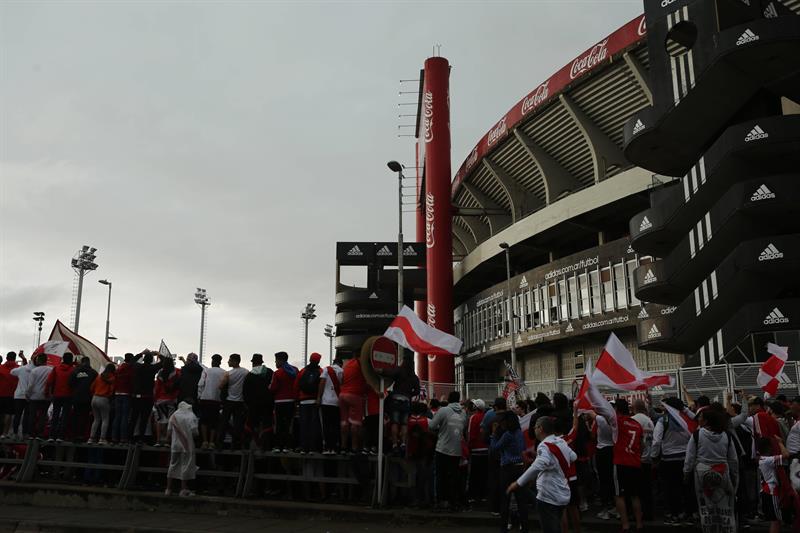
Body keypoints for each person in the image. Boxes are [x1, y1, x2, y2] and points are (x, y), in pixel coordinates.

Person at [507, 415, 576, 533]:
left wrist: (518, 483)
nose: (534, 430)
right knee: (557, 525)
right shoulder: (561, 441)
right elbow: (573, 457)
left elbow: (539, 465)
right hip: (562, 492)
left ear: (540, 428)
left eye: (535, 427)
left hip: (548, 495)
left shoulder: (544, 446)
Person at [683, 404, 739, 533]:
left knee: (706, 508)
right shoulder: (727, 435)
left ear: (706, 421)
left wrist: (686, 474)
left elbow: (689, 458)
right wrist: (735, 478)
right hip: (723, 472)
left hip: (701, 473)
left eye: (701, 417)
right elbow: (733, 460)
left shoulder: (697, 435)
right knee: (726, 507)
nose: (698, 419)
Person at [652, 397, 694, 525]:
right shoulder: (687, 420)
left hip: (668, 460)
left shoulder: (662, 420)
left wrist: (654, 457)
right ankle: (688, 514)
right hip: (686, 458)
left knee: (670, 489)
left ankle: (673, 515)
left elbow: (657, 441)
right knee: (686, 488)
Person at [429, 390, 467, 511]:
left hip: (442, 448)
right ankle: (453, 502)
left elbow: (431, 426)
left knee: (440, 476)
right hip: (456, 450)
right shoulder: (463, 413)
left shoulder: (443, 410)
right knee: (454, 477)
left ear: (449, 399)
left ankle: (441, 501)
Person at [491, 410, 528, 533]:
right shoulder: (519, 433)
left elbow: (495, 448)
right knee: (521, 500)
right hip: (519, 467)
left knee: (505, 499)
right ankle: (524, 527)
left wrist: (494, 434)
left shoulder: (507, 435)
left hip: (507, 468)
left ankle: (503, 527)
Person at [378, 353, 420, 454]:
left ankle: (394, 444)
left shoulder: (399, 370)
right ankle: (403, 444)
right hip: (406, 400)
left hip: (396, 399)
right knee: (404, 423)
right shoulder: (414, 377)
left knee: (395, 422)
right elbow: (417, 391)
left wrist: (380, 370)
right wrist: (409, 394)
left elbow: (389, 373)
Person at [165, 400, 199, 497]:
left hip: (175, 445)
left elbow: (168, 433)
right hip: (187, 445)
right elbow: (195, 432)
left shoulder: (173, 416)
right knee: (185, 465)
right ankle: (183, 489)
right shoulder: (191, 416)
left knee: (172, 465)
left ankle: (168, 489)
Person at [481, 397, 508, 516]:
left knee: (494, 480)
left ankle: (495, 507)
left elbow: (484, 437)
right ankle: (506, 507)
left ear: (496, 407)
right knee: (506, 481)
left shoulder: (491, 418)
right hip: (508, 454)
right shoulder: (511, 418)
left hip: (494, 453)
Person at [757, 436, 789, 533]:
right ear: (769, 448)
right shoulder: (767, 460)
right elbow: (786, 455)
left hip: (766, 491)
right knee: (776, 521)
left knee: (775, 520)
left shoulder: (761, 459)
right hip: (771, 491)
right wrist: (780, 443)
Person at [293, 352, 323, 454]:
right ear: (318, 360)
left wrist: (296, 399)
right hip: (315, 401)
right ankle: (313, 448)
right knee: (314, 425)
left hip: (303, 402)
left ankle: (303, 447)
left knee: (304, 425)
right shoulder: (321, 371)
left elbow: (296, 386)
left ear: (310, 359)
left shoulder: (302, 371)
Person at [129, 351, 162, 443]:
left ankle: (130, 438)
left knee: (134, 418)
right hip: (147, 397)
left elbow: (131, 361)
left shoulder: (137, 367)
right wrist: (158, 354)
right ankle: (141, 438)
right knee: (144, 419)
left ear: (143, 359)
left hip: (136, 396)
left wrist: (141, 353)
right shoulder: (152, 368)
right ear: (151, 360)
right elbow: (164, 362)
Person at [243, 353, 273, 450]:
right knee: (267, 425)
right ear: (261, 362)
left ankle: (249, 445)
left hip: (253, 405)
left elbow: (245, 392)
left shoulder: (249, 375)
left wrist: (247, 404)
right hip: (267, 404)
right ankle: (266, 446)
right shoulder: (270, 372)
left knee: (250, 425)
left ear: (253, 363)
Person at [338, 356, 368, 454]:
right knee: (355, 423)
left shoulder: (347, 364)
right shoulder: (361, 364)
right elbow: (368, 378)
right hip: (355, 395)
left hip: (342, 395)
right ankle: (354, 447)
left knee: (344, 422)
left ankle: (343, 447)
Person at [217, 353, 248, 449]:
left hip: (229, 401)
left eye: (230, 360)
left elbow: (220, 386)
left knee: (224, 422)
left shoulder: (228, 373)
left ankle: (220, 443)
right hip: (240, 402)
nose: (228, 362)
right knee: (237, 423)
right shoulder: (246, 372)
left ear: (235, 361)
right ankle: (235, 443)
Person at [269, 351, 297, 453]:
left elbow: (273, 388)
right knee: (289, 424)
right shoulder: (295, 370)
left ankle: (278, 446)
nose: (275, 363)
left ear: (280, 360)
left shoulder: (277, 373)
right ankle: (288, 446)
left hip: (279, 402)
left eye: (276, 360)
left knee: (279, 425)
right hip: (291, 401)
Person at [632, 398, 655, 520]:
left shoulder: (634, 420)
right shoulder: (650, 421)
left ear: (634, 408)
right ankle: (649, 513)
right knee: (647, 488)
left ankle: (638, 514)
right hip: (649, 458)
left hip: (637, 459)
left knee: (636, 490)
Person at [197, 353, 224, 449]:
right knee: (214, 422)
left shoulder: (206, 371)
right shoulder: (224, 372)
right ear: (220, 362)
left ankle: (205, 441)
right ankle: (212, 442)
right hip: (217, 400)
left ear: (212, 361)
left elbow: (200, 384)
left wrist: (199, 396)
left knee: (204, 421)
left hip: (205, 398)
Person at [47, 352, 74, 442]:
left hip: (56, 395)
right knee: (65, 416)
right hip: (68, 396)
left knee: (55, 415)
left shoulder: (56, 368)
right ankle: (60, 436)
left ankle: (51, 435)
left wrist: (50, 393)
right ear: (71, 360)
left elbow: (50, 381)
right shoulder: (73, 370)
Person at [318, 356, 342, 454]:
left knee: (327, 425)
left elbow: (322, 383)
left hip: (326, 401)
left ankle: (327, 447)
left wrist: (319, 397)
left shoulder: (326, 369)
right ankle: (335, 447)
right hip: (337, 402)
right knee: (335, 425)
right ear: (341, 363)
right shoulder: (342, 371)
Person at [154, 357, 181, 446]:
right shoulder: (176, 372)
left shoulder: (160, 373)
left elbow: (157, 388)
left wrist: (155, 398)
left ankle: (158, 440)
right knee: (170, 421)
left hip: (160, 400)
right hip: (171, 399)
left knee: (160, 420)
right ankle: (167, 440)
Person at [467, 398, 488, 503]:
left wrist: (469, 448)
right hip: (486, 449)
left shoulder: (473, 417)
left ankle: (473, 496)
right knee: (484, 474)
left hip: (476, 449)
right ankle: (484, 495)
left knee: (474, 474)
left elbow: (471, 434)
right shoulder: (486, 417)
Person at [28, 353, 54, 438]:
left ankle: (31, 433)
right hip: (46, 396)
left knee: (32, 415)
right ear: (46, 360)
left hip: (34, 396)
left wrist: (27, 394)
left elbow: (30, 385)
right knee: (43, 415)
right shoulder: (51, 370)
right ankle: (40, 433)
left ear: (39, 360)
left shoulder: (34, 371)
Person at [88, 363, 115, 444]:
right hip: (104, 399)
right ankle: (102, 439)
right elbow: (111, 391)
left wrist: (95, 394)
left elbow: (91, 387)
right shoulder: (112, 378)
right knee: (105, 419)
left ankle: (91, 438)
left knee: (96, 419)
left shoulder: (99, 376)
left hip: (94, 398)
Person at [112, 353, 134, 444]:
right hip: (126, 394)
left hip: (117, 394)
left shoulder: (119, 369)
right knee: (125, 417)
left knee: (117, 416)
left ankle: (114, 438)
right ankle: (123, 438)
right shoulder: (130, 369)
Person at [10, 353, 31, 438]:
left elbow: (12, 372)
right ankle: (25, 433)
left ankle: (15, 433)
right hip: (29, 396)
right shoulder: (35, 370)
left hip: (19, 396)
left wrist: (21, 365)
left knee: (17, 415)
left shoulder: (21, 369)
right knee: (27, 416)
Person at [0, 352, 20, 438]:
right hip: (12, 395)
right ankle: (4, 433)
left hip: (0, 394)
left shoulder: (0, 368)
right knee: (9, 414)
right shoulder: (18, 369)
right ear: (14, 358)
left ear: (6, 358)